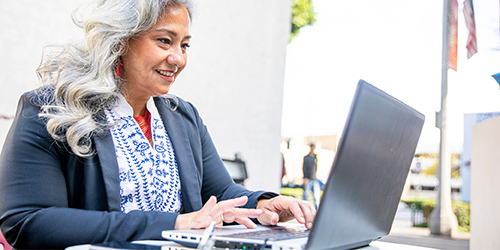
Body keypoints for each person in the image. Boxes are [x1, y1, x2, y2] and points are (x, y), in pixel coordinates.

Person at [0, 1, 316, 249]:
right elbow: (29, 222)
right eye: (165, 41)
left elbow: (221, 194)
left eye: (185, 45)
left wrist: (266, 204)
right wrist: (174, 224)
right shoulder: (48, 109)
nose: (178, 58)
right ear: (120, 40)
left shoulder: (184, 118)